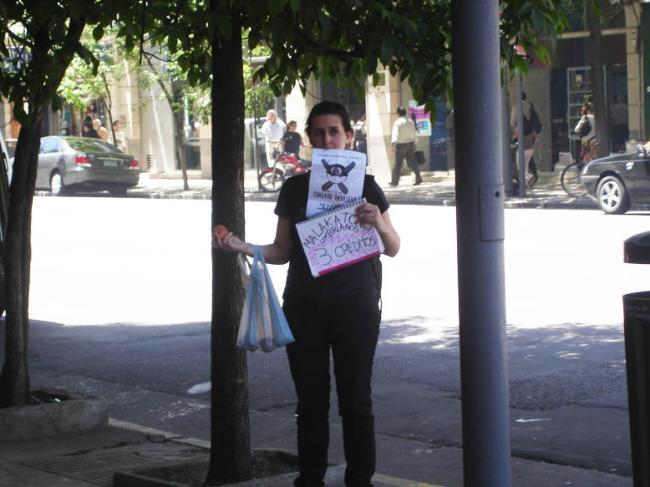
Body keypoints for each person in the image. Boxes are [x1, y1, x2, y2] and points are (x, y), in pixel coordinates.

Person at [213, 100, 400, 487]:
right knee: (311, 405)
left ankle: (359, 481)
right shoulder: (295, 188)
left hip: (356, 307)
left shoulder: (366, 186)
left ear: (350, 136)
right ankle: (310, 479)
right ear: (310, 139)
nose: (327, 139)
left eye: (334, 131)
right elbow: (281, 251)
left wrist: (378, 221)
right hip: (304, 308)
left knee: (356, 403)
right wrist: (240, 247)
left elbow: (393, 246)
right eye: (319, 132)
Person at [510, 92, 541, 189]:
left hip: (522, 141)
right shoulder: (530, 106)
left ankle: (528, 179)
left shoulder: (516, 107)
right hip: (530, 141)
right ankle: (526, 184)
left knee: (520, 165)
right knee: (526, 165)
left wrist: (514, 134)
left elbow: (513, 122)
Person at [390, 106, 422, 186]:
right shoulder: (410, 121)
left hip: (401, 145)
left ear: (398, 113)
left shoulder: (398, 122)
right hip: (410, 144)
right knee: (413, 162)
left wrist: (393, 145)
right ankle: (418, 178)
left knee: (398, 164)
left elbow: (395, 134)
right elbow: (414, 133)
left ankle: (394, 181)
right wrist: (414, 143)